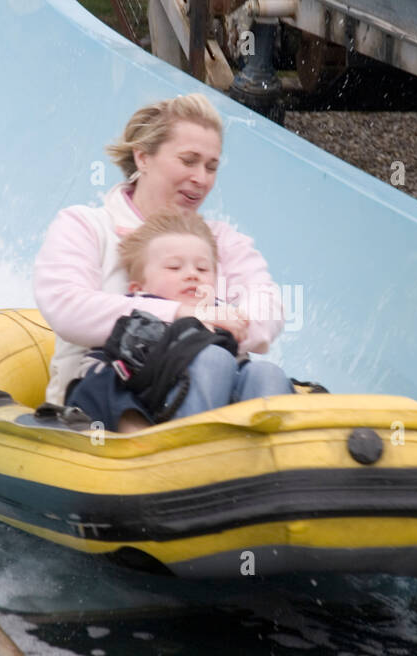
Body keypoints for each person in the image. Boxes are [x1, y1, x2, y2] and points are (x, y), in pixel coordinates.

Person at [33, 92, 293, 432]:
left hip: (209, 383)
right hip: (109, 403)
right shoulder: (86, 226)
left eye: (211, 166)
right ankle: (184, 463)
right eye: (188, 161)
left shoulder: (221, 239)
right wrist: (183, 317)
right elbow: (68, 308)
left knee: (262, 373)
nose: (201, 178)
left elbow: (265, 307)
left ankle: (262, 469)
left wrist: (214, 333)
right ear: (142, 157)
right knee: (210, 360)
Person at [66, 208, 295, 432]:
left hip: (230, 425)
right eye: (174, 267)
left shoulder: (223, 320)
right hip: (156, 423)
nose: (192, 274)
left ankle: (274, 455)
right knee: (213, 359)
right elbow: (99, 379)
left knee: (266, 373)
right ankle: (191, 450)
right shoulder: (133, 323)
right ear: (138, 287)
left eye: (203, 268)